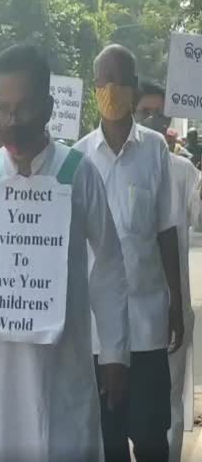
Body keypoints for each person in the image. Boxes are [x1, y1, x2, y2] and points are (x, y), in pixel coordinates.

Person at [0, 45, 130, 461]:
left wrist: (115, 353)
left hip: (60, 366)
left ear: (48, 108)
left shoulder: (77, 173)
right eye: (3, 109)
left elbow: (107, 266)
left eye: (23, 110)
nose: (12, 122)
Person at [75, 44, 184, 462]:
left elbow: (166, 231)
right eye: (104, 81)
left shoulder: (156, 150)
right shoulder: (78, 158)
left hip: (147, 323)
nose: (111, 89)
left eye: (120, 81)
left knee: (153, 437)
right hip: (97, 331)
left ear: (135, 89)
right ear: (94, 88)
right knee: (108, 440)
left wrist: (174, 304)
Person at [135, 80, 200, 462]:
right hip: (122, 313)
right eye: (146, 112)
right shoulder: (105, 162)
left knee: (169, 404)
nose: (154, 120)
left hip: (171, 310)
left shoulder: (184, 171)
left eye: (160, 113)